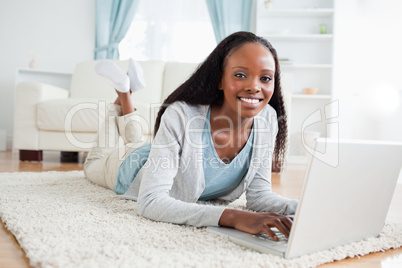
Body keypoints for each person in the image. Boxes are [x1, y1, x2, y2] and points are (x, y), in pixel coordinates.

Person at [84, 31, 298, 241]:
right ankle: (122, 94)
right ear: (220, 79)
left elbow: (259, 196)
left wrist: (305, 208)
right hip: (131, 167)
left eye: (265, 78)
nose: (254, 86)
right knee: (94, 161)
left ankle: (125, 92)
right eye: (240, 75)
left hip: (160, 156)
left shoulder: (267, 118)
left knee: (135, 140)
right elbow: (150, 201)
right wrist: (232, 216)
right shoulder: (182, 114)